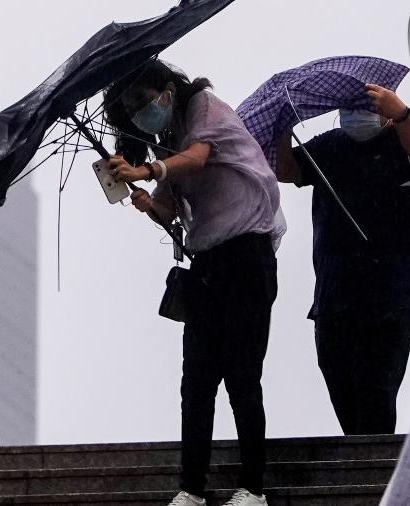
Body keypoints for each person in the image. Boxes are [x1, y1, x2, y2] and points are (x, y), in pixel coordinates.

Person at [104, 60, 281, 506]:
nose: (141, 112)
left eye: (143, 100)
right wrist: (148, 203)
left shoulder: (204, 107)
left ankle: (254, 488)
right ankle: (192, 489)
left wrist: (148, 172)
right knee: (197, 381)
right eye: (131, 108)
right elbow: (172, 209)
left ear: (167, 90)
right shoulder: (170, 141)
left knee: (242, 373)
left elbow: (200, 156)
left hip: (246, 253)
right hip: (207, 264)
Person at [274, 84, 410, 436]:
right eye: (346, 105)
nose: (353, 113)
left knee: (377, 392)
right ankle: (363, 467)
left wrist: (401, 112)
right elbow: (286, 170)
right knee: (341, 384)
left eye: (364, 105)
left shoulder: (400, 141)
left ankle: (374, 479)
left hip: (391, 294)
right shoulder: (330, 145)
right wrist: (283, 126)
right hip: (335, 296)